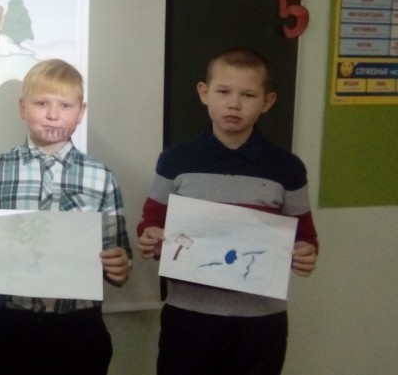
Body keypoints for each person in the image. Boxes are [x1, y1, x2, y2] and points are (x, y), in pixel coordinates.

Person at [136, 47, 319, 375]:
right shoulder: (175, 161)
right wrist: (150, 237)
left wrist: (305, 253)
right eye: (223, 92)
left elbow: (304, 237)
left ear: (267, 101)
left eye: (248, 95)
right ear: (204, 93)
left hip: (260, 323)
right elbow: (151, 223)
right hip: (188, 317)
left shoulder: (287, 168)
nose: (234, 104)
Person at [0, 58, 132, 375]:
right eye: (41, 103)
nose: (53, 114)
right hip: (8, 327)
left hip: (79, 330)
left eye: (65, 105)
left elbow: (119, 257)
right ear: (23, 108)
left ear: (81, 112)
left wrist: (120, 264)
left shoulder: (101, 177)